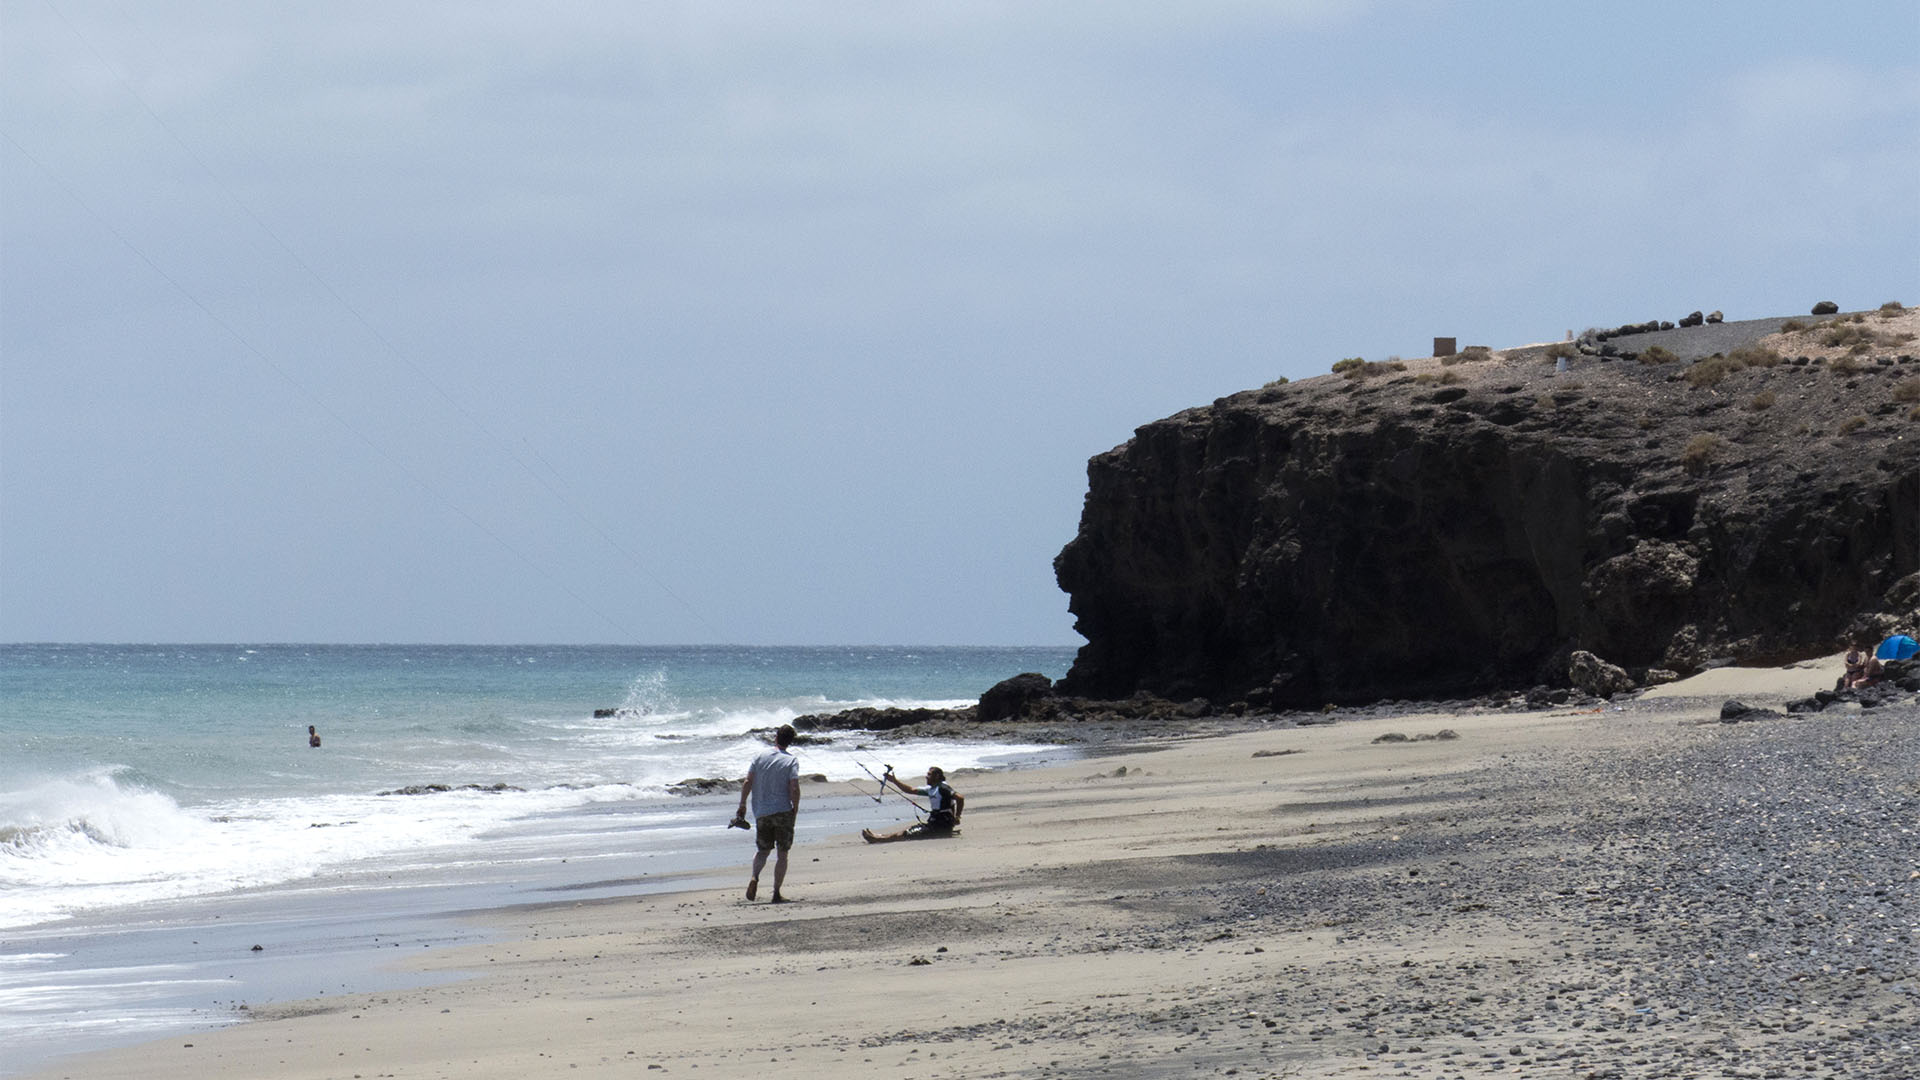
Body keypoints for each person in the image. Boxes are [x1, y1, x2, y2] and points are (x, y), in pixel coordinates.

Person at [732, 724, 800, 902]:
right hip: (783, 811)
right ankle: (776, 893)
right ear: (790, 742)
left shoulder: (759, 756)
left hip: (761, 811)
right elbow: (794, 787)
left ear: (776, 737)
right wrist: (796, 807)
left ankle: (755, 877)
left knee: (762, 851)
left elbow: (748, 781)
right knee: (782, 854)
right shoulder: (791, 760)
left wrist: (742, 804)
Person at [862, 766, 963, 843]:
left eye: (929, 774)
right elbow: (909, 790)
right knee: (907, 830)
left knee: (905, 833)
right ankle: (880, 836)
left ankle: (878, 839)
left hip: (940, 827)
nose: (926, 777)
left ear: (937, 776)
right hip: (935, 824)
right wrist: (894, 781)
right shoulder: (931, 789)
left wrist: (957, 817)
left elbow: (960, 798)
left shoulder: (943, 788)